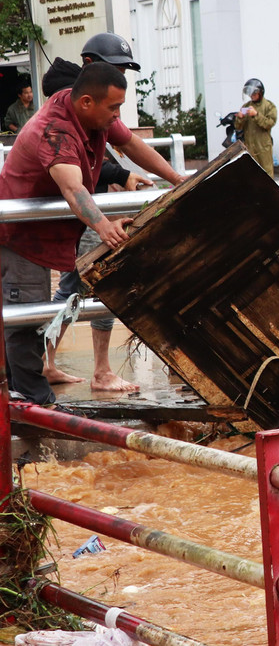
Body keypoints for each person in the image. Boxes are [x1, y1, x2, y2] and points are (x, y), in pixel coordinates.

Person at [0, 62, 185, 403]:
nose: (117, 116)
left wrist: (177, 179)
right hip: (21, 236)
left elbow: (131, 145)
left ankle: (22, 394)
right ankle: (33, 402)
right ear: (87, 102)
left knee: (36, 313)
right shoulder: (55, 131)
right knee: (26, 317)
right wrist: (103, 225)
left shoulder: (89, 113)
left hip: (52, 234)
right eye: (114, 108)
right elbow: (73, 188)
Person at [37, 45, 153, 393]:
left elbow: (122, 145)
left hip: (88, 208)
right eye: (115, 67)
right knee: (103, 281)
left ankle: (48, 361)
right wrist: (122, 176)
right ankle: (100, 370)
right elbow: (84, 162)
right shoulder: (77, 99)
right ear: (91, 66)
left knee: (73, 287)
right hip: (89, 210)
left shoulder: (92, 100)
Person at [233, 78, 277, 175]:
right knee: (252, 173)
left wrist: (256, 115)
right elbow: (238, 127)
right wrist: (240, 118)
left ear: (260, 93)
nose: (251, 96)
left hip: (263, 147)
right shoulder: (246, 106)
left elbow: (269, 123)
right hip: (249, 146)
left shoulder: (269, 106)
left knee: (266, 172)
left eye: (254, 94)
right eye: (250, 94)